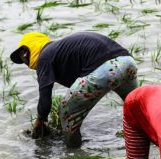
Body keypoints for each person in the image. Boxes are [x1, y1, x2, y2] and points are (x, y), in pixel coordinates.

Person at [10, 32, 138, 147]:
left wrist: (40, 120)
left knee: (66, 111)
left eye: (24, 59)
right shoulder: (59, 50)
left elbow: (45, 98)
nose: (27, 64)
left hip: (106, 69)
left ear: (28, 51)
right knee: (136, 109)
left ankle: (73, 151)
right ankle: (144, 138)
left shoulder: (44, 56)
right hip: (127, 62)